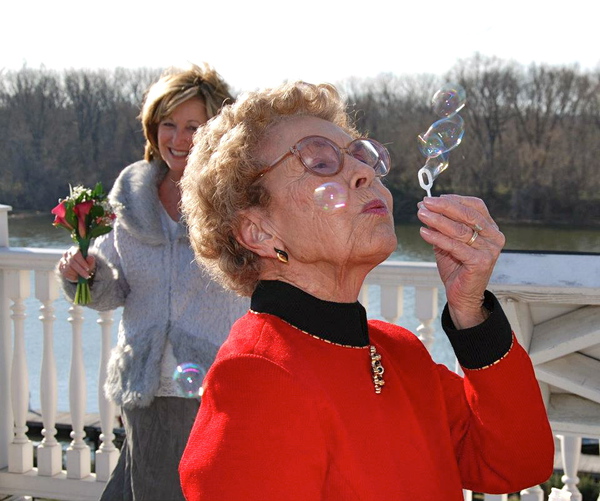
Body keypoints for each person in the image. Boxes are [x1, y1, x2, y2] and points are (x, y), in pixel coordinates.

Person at [178, 81, 555, 500]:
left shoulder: (399, 353)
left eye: (361, 155)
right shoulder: (256, 379)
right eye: (319, 161)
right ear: (258, 231)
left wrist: (471, 309)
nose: (364, 172)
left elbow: (518, 461)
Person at [56, 63, 249, 501]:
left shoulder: (236, 199)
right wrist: (84, 274)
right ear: (153, 127)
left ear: (215, 130)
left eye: (193, 126)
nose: (178, 139)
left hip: (213, 388)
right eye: (168, 124)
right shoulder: (130, 195)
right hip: (142, 387)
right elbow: (110, 293)